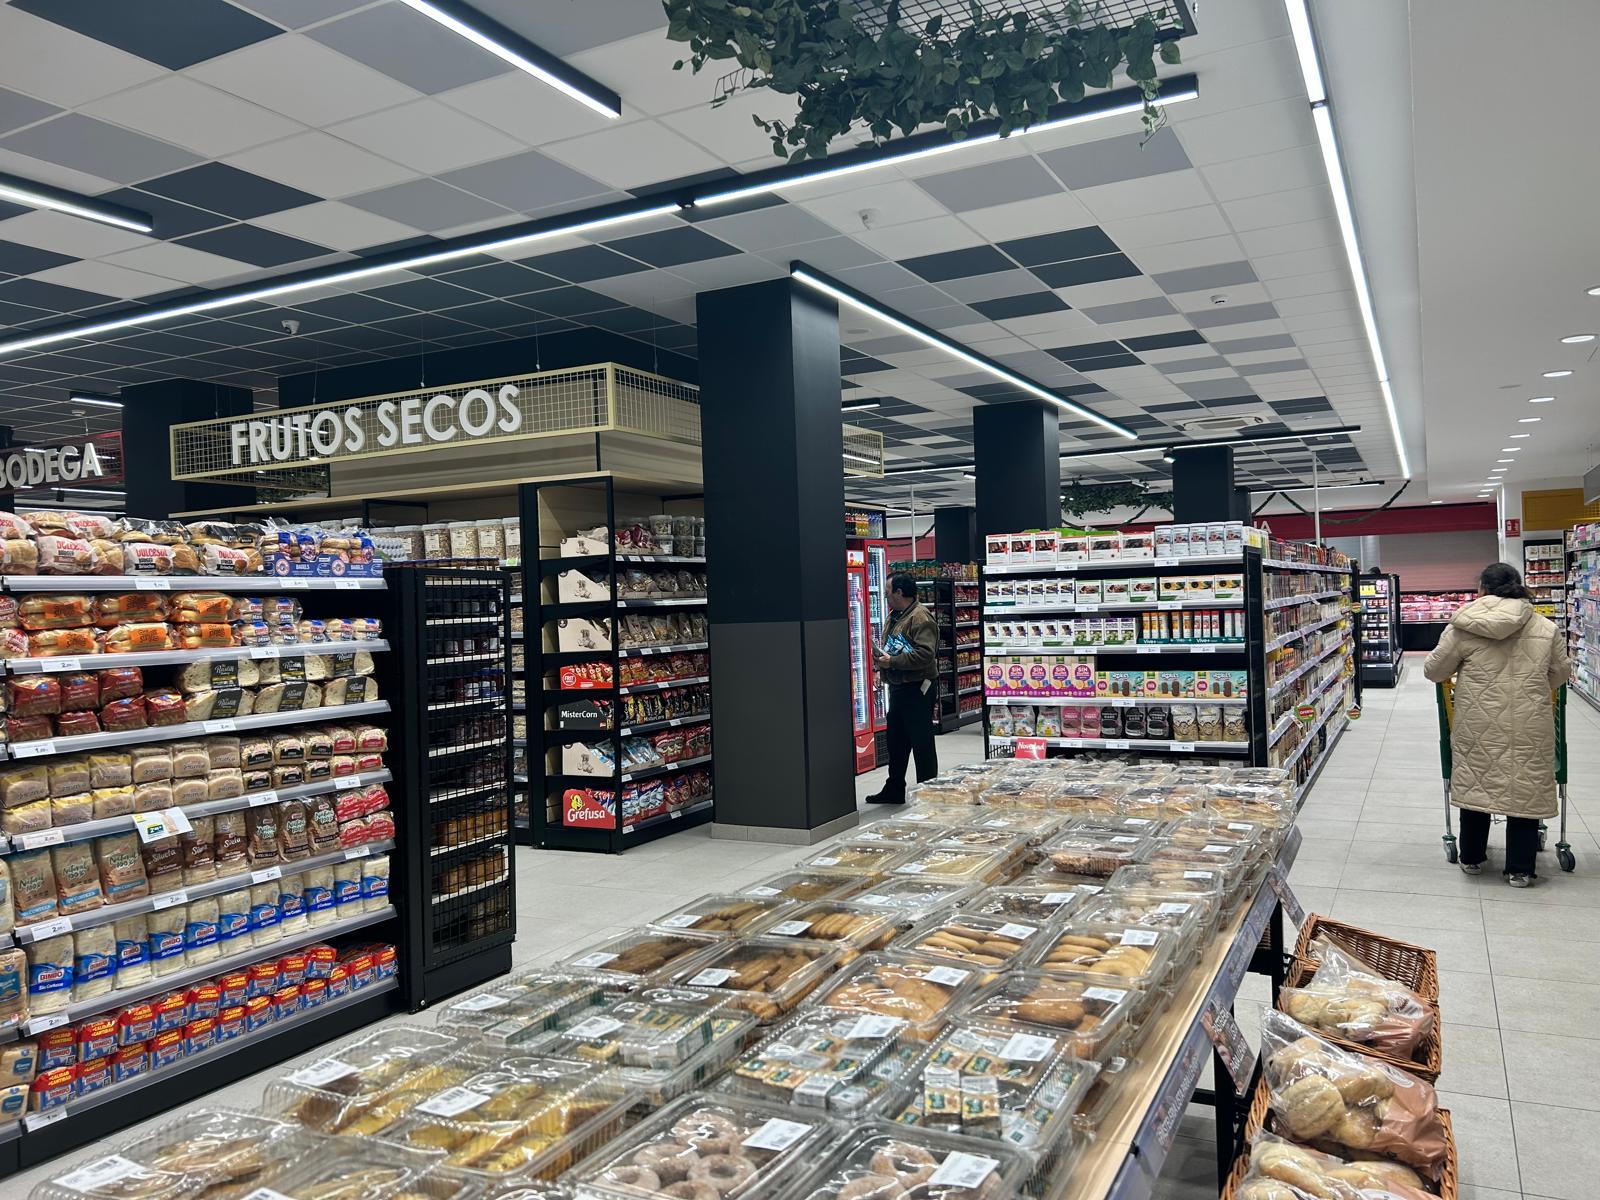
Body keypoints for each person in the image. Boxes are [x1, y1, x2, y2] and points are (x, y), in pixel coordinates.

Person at [1423, 561, 1570, 886]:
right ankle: (1520, 868)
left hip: (1477, 723)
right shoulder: (1545, 628)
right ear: (1519, 587)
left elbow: (1435, 671)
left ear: (1482, 590)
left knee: (1478, 778)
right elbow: (1560, 674)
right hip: (1530, 722)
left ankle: (1472, 858)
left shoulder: (1462, 627)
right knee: (1525, 785)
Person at [865, 574, 939, 804]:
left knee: (921, 743)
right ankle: (895, 788)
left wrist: (892, 662)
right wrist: (881, 669)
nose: (885, 593)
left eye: (888, 590)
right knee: (896, 741)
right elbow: (891, 646)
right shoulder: (896, 615)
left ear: (899, 592)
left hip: (918, 688)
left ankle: (929, 793)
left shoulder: (920, 617)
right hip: (898, 687)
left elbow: (926, 655)